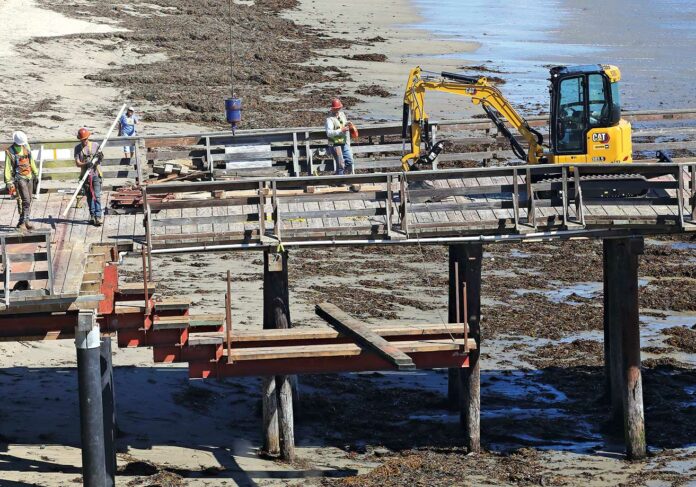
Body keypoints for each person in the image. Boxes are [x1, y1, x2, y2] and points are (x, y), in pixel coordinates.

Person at [4, 131, 39, 231]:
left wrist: (35, 173)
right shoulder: (10, 151)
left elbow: (31, 160)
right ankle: (23, 223)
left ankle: (24, 221)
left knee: (29, 200)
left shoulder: (26, 146)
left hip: (29, 177)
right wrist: (8, 182)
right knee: (26, 200)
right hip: (20, 178)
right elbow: (7, 167)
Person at [74, 128, 104, 226]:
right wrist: (87, 163)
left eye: (86, 139)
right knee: (90, 197)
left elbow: (101, 158)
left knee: (97, 196)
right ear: (80, 139)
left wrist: (100, 156)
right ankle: (92, 215)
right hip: (85, 176)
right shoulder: (77, 149)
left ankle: (98, 216)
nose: (85, 141)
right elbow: (78, 163)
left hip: (96, 174)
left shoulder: (95, 145)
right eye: (83, 139)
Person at [325, 98, 354, 175]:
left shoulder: (342, 114)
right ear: (332, 108)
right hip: (334, 144)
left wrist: (348, 124)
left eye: (339, 108)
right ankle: (340, 182)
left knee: (349, 161)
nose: (338, 110)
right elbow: (329, 133)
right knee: (340, 164)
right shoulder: (329, 119)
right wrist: (341, 130)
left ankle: (341, 178)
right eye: (336, 108)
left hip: (343, 142)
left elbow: (343, 124)